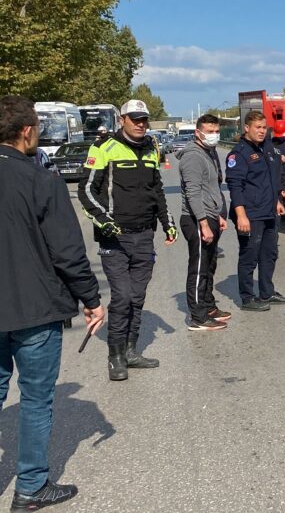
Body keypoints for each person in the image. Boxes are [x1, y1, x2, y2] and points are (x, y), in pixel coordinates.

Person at [0, 96, 104, 511]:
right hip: (35, 308)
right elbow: (67, 252)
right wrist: (92, 299)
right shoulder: (42, 180)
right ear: (27, 132)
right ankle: (30, 487)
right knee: (36, 399)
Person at [79, 99, 176, 381]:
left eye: (144, 119)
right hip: (115, 238)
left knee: (137, 297)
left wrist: (167, 223)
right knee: (121, 298)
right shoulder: (103, 147)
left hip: (145, 235)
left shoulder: (151, 147)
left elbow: (157, 190)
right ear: (122, 119)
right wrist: (103, 220)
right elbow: (86, 190)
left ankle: (131, 350)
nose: (140, 124)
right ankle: (116, 357)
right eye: (134, 119)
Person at [226, 111, 285, 312]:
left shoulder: (268, 148)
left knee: (269, 255)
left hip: (269, 212)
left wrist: (278, 199)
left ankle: (267, 292)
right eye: (258, 127)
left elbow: (273, 177)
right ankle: (247, 298)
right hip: (250, 214)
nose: (262, 131)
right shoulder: (239, 154)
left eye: (264, 127)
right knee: (249, 256)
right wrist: (241, 215)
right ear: (247, 128)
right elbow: (235, 186)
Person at [178, 114, 232, 330]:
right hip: (195, 219)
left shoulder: (207, 153)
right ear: (198, 132)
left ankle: (208, 305)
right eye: (209, 131)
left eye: (216, 131)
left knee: (210, 265)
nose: (214, 135)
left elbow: (210, 189)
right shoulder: (193, 157)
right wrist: (203, 223)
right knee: (199, 267)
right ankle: (198, 317)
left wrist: (217, 215)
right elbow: (193, 193)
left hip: (210, 216)